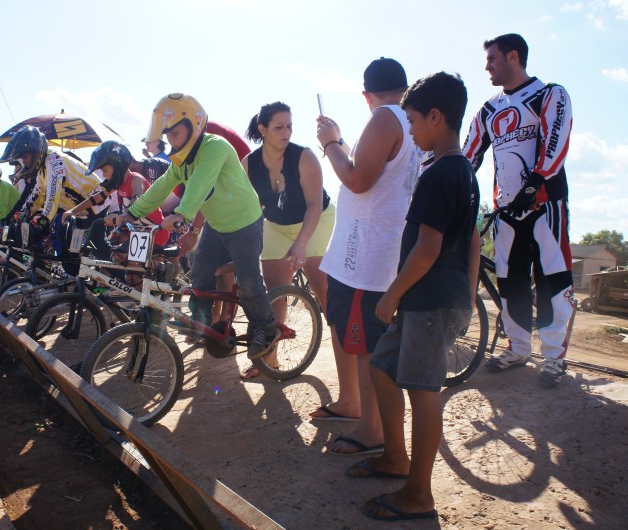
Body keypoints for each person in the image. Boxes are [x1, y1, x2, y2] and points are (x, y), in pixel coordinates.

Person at [356, 72, 479, 522]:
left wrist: (391, 295)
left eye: (411, 120)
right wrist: (468, 295)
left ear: (435, 116)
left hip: (429, 301)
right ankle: (395, 456)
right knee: (382, 368)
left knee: (423, 393)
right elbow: (472, 242)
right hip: (429, 298)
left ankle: (419, 493)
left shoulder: (441, 173)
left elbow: (427, 250)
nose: (409, 130)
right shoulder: (461, 170)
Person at [107, 93, 280, 359]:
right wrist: (131, 213)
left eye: (175, 133)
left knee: (248, 282)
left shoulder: (215, 147)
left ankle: (267, 329)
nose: (171, 141)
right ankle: (200, 323)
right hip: (217, 225)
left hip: (245, 223)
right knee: (200, 274)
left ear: (194, 126)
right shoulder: (182, 160)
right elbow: (162, 186)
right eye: (168, 135)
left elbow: (201, 184)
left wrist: (182, 214)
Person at [313, 58, 421, 456]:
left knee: (365, 346)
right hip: (378, 251)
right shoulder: (410, 120)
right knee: (360, 339)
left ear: (366, 94)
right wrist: (340, 142)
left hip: (366, 258)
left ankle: (372, 429)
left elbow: (358, 179)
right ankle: (355, 407)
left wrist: (330, 143)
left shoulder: (385, 118)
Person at [463, 33, 574, 388]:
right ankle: (518, 348)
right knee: (511, 280)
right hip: (507, 210)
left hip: (545, 202)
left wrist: (535, 181)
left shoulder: (550, 93)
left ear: (513, 56)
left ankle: (554, 357)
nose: (487, 67)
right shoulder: (488, 109)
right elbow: (468, 156)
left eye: (492, 59)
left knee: (552, 278)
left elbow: (556, 138)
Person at [239, 101, 335, 379]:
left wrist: (302, 243)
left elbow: (314, 206)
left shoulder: (304, 157)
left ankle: (346, 352)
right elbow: (249, 208)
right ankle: (271, 358)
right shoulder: (249, 164)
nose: (286, 132)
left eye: (289, 126)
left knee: (322, 287)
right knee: (275, 291)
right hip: (277, 226)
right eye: (279, 127)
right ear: (263, 129)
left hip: (316, 220)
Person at [0, 125, 100, 252]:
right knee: (67, 249)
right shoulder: (43, 169)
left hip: (97, 204)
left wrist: (45, 217)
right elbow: (38, 193)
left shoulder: (54, 161)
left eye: (25, 157)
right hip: (81, 211)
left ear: (36, 151)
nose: (24, 162)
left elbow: (53, 193)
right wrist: (24, 212)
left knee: (96, 248)